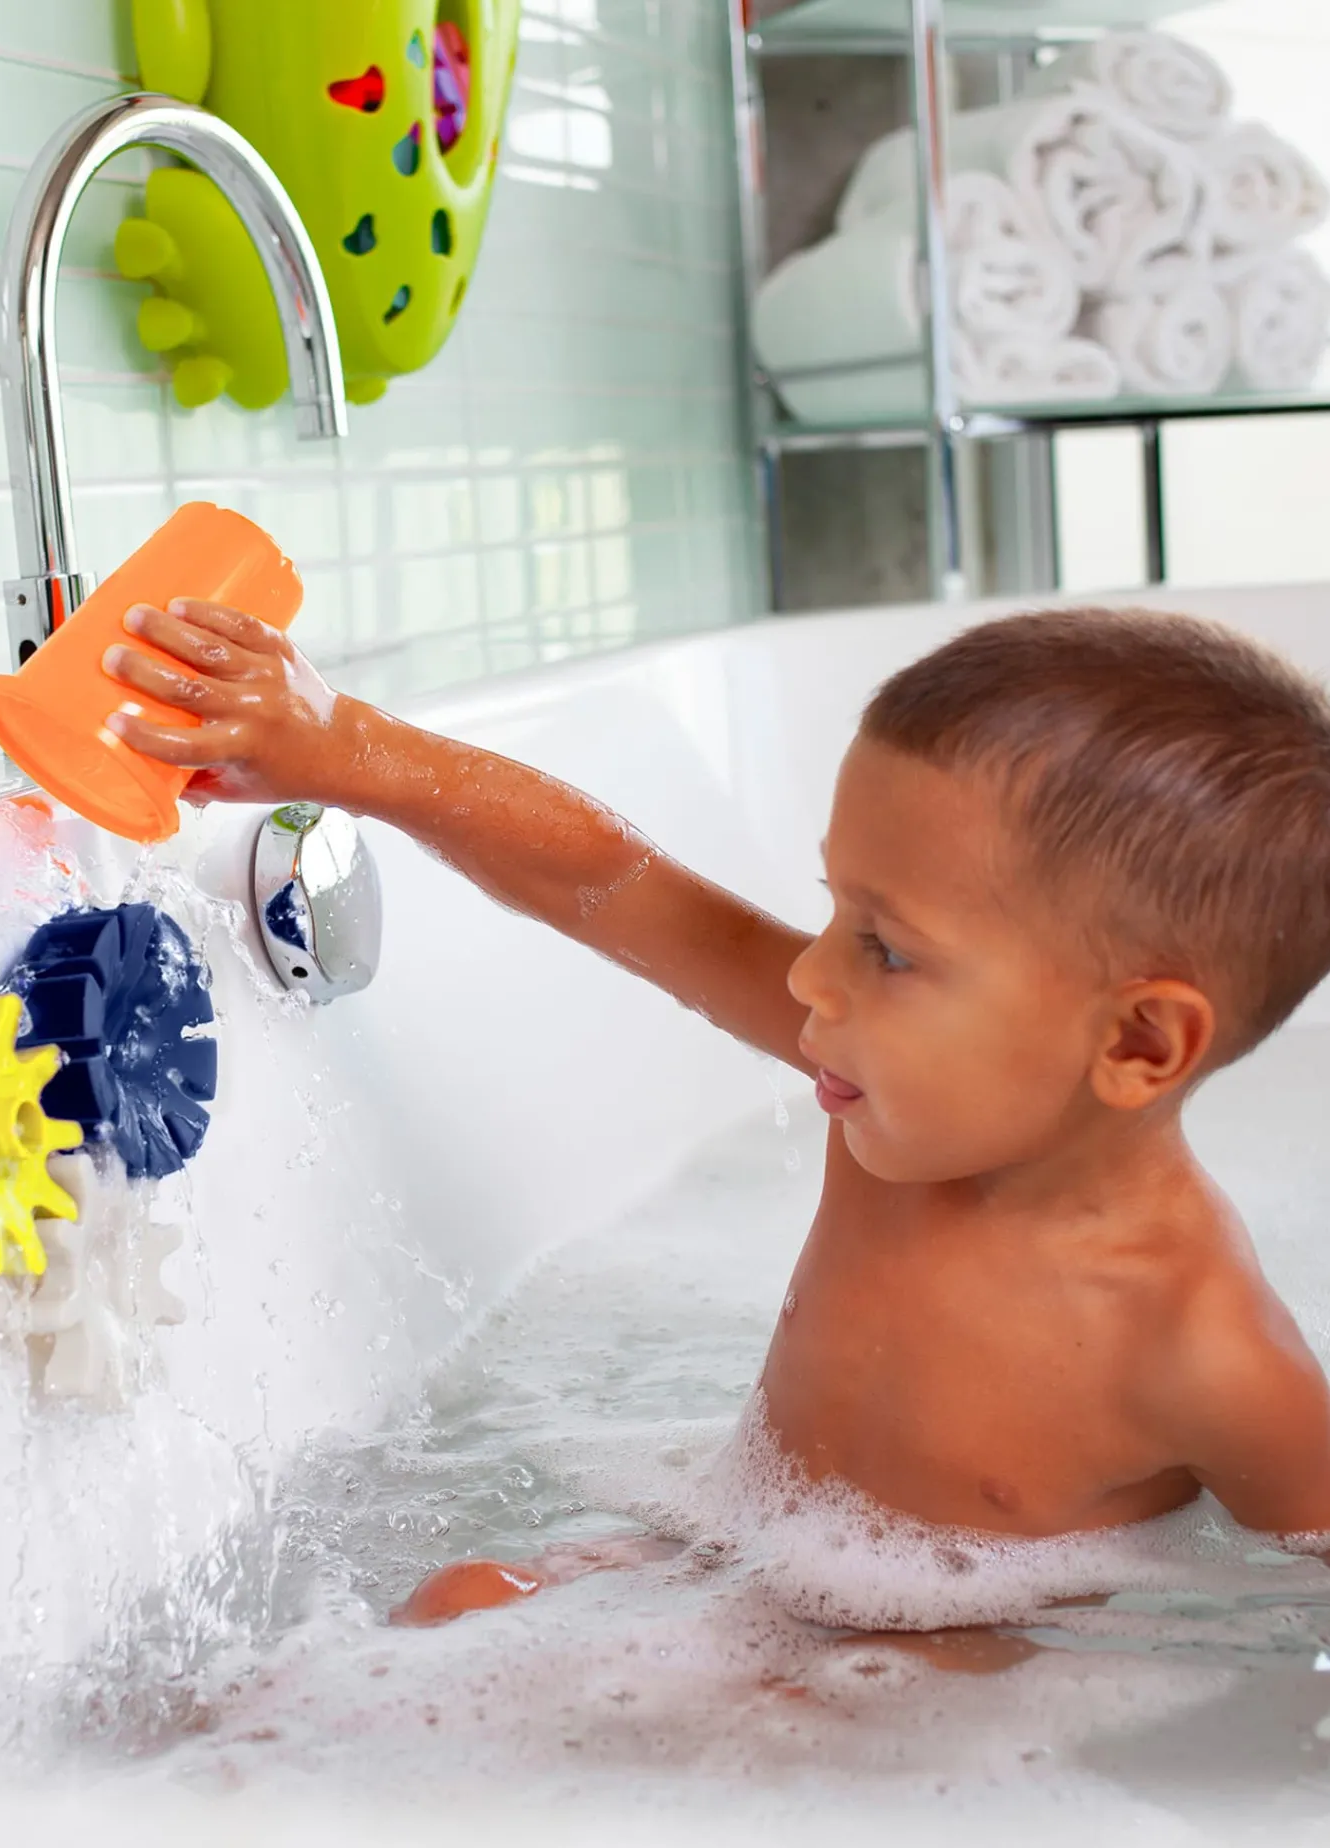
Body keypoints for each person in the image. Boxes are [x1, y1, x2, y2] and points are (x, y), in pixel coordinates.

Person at [102, 598, 1330, 1624]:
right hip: (736, 1563)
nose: (811, 976)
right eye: (836, 908)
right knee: (457, 1604)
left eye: (888, 948)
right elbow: (613, 881)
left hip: (933, 1702)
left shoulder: (1205, 1351)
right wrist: (350, 750)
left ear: (1138, 1042)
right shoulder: (892, 1091)